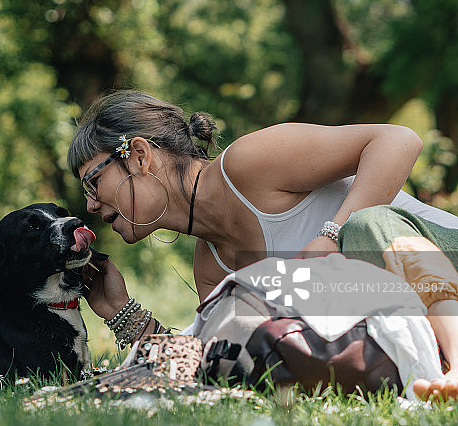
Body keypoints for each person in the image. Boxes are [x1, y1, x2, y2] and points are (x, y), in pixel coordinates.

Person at [67, 89, 458, 400]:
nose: (89, 204)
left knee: (365, 226)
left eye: (92, 182)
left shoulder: (246, 165)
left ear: (138, 156)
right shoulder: (211, 265)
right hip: (409, 313)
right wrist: (122, 312)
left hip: (445, 255)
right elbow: (213, 356)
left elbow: (397, 139)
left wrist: (331, 235)